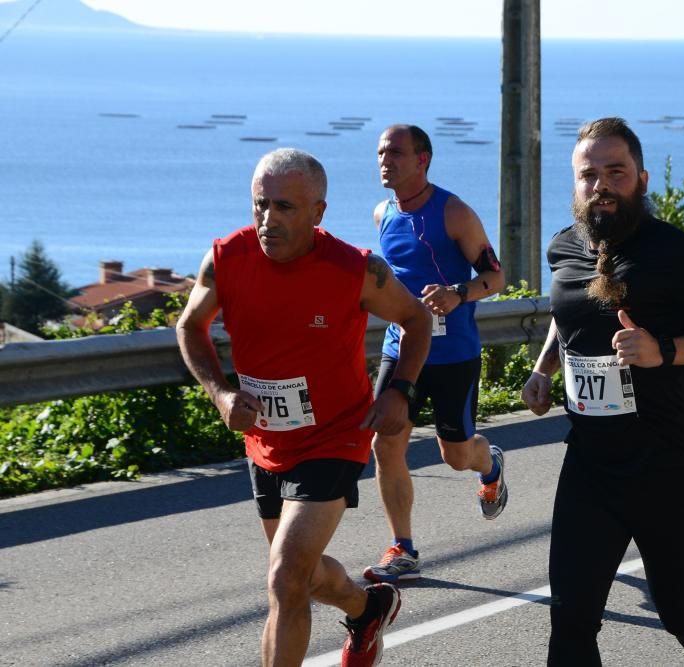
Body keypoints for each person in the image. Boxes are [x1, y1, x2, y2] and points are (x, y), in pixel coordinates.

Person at [176, 148, 432, 667]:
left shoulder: (356, 270)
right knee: (301, 572)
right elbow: (189, 327)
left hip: (335, 435)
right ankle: (367, 608)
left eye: (285, 208)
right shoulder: (226, 259)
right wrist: (221, 394)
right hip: (266, 440)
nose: (268, 220)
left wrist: (398, 390)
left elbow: (417, 320)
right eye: (260, 205)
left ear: (318, 212)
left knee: (284, 576)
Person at [520, 118, 684, 667]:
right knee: (571, 620)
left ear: (641, 180)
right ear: (575, 183)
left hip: (667, 464)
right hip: (590, 464)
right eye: (589, 174)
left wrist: (664, 350)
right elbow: (567, 317)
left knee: (677, 610)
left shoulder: (673, 252)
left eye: (615, 172)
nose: (600, 184)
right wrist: (543, 370)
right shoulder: (564, 248)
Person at [363, 124, 508, 584]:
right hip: (401, 348)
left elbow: (496, 276)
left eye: (396, 153)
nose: (386, 160)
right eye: (382, 152)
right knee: (385, 444)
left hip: (453, 354)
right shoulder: (382, 212)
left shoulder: (453, 212)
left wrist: (458, 292)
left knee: (456, 456)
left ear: (423, 159)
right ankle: (402, 548)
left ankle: (490, 465)